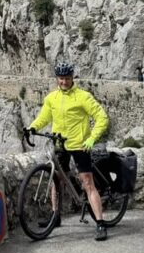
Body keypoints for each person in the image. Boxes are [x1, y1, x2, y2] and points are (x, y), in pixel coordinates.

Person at [23, 61, 110, 241]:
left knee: (88, 183)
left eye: (67, 78)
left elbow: (102, 117)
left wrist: (92, 138)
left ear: (72, 78)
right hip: (60, 144)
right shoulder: (52, 98)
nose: (64, 82)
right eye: (61, 78)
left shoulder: (83, 97)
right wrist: (32, 127)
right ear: (57, 78)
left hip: (80, 145)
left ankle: (101, 223)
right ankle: (56, 216)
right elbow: (44, 117)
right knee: (56, 180)